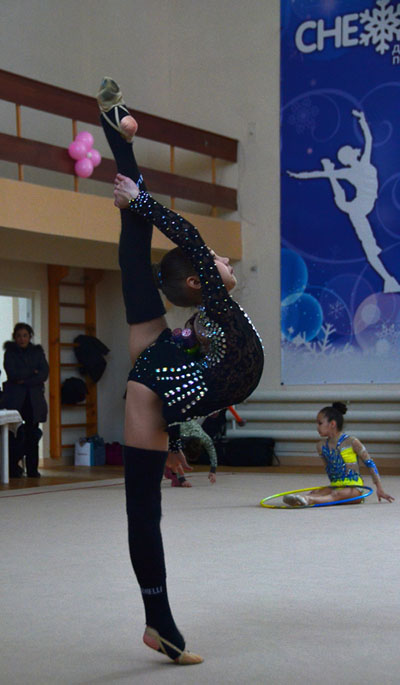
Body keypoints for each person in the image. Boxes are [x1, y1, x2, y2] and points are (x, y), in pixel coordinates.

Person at [96, 77, 264, 665]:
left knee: (131, 255)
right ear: (196, 281)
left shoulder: (196, 318)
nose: (224, 262)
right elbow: (187, 236)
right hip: (159, 388)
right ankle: (160, 622)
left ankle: (158, 625)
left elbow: (136, 242)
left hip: (161, 383)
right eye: (216, 262)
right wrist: (140, 201)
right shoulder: (213, 303)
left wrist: (125, 152)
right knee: (144, 512)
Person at [287, 109, 400, 293]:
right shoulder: (352, 170)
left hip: (361, 207)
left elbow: (369, 139)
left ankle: (388, 279)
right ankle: (388, 279)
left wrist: (362, 120)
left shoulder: (362, 163)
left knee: (367, 243)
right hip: (358, 209)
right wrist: (299, 175)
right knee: (368, 247)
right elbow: (320, 174)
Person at [283, 402, 395, 507]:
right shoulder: (321, 446)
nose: (317, 427)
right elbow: (330, 469)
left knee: (336, 495)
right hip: (336, 485)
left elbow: (370, 463)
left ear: (332, 424)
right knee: (317, 492)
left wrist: (380, 488)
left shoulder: (352, 441)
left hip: (354, 488)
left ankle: (309, 500)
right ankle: (302, 499)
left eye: (320, 423)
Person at [3, 323, 49, 478]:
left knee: (33, 434)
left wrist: (27, 379)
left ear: (30, 336)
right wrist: (32, 373)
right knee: (14, 435)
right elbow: (13, 373)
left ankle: (32, 469)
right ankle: (12, 467)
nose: (22, 339)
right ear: (14, 337)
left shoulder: (37, 352)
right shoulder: (10, 352)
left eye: (25, 335)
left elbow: (44, 373)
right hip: (15, 399)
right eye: (18, 336)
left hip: (33, 400)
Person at [164, 419, 218, 487]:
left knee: (173, 452)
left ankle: (172, 470)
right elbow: (174, 453)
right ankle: (170, 469)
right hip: (173, 425)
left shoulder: (205, 438)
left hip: (183, 425)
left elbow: (212, 452)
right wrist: (182, 479)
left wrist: (213, 470)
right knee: (170, 452)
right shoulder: (178, 437)